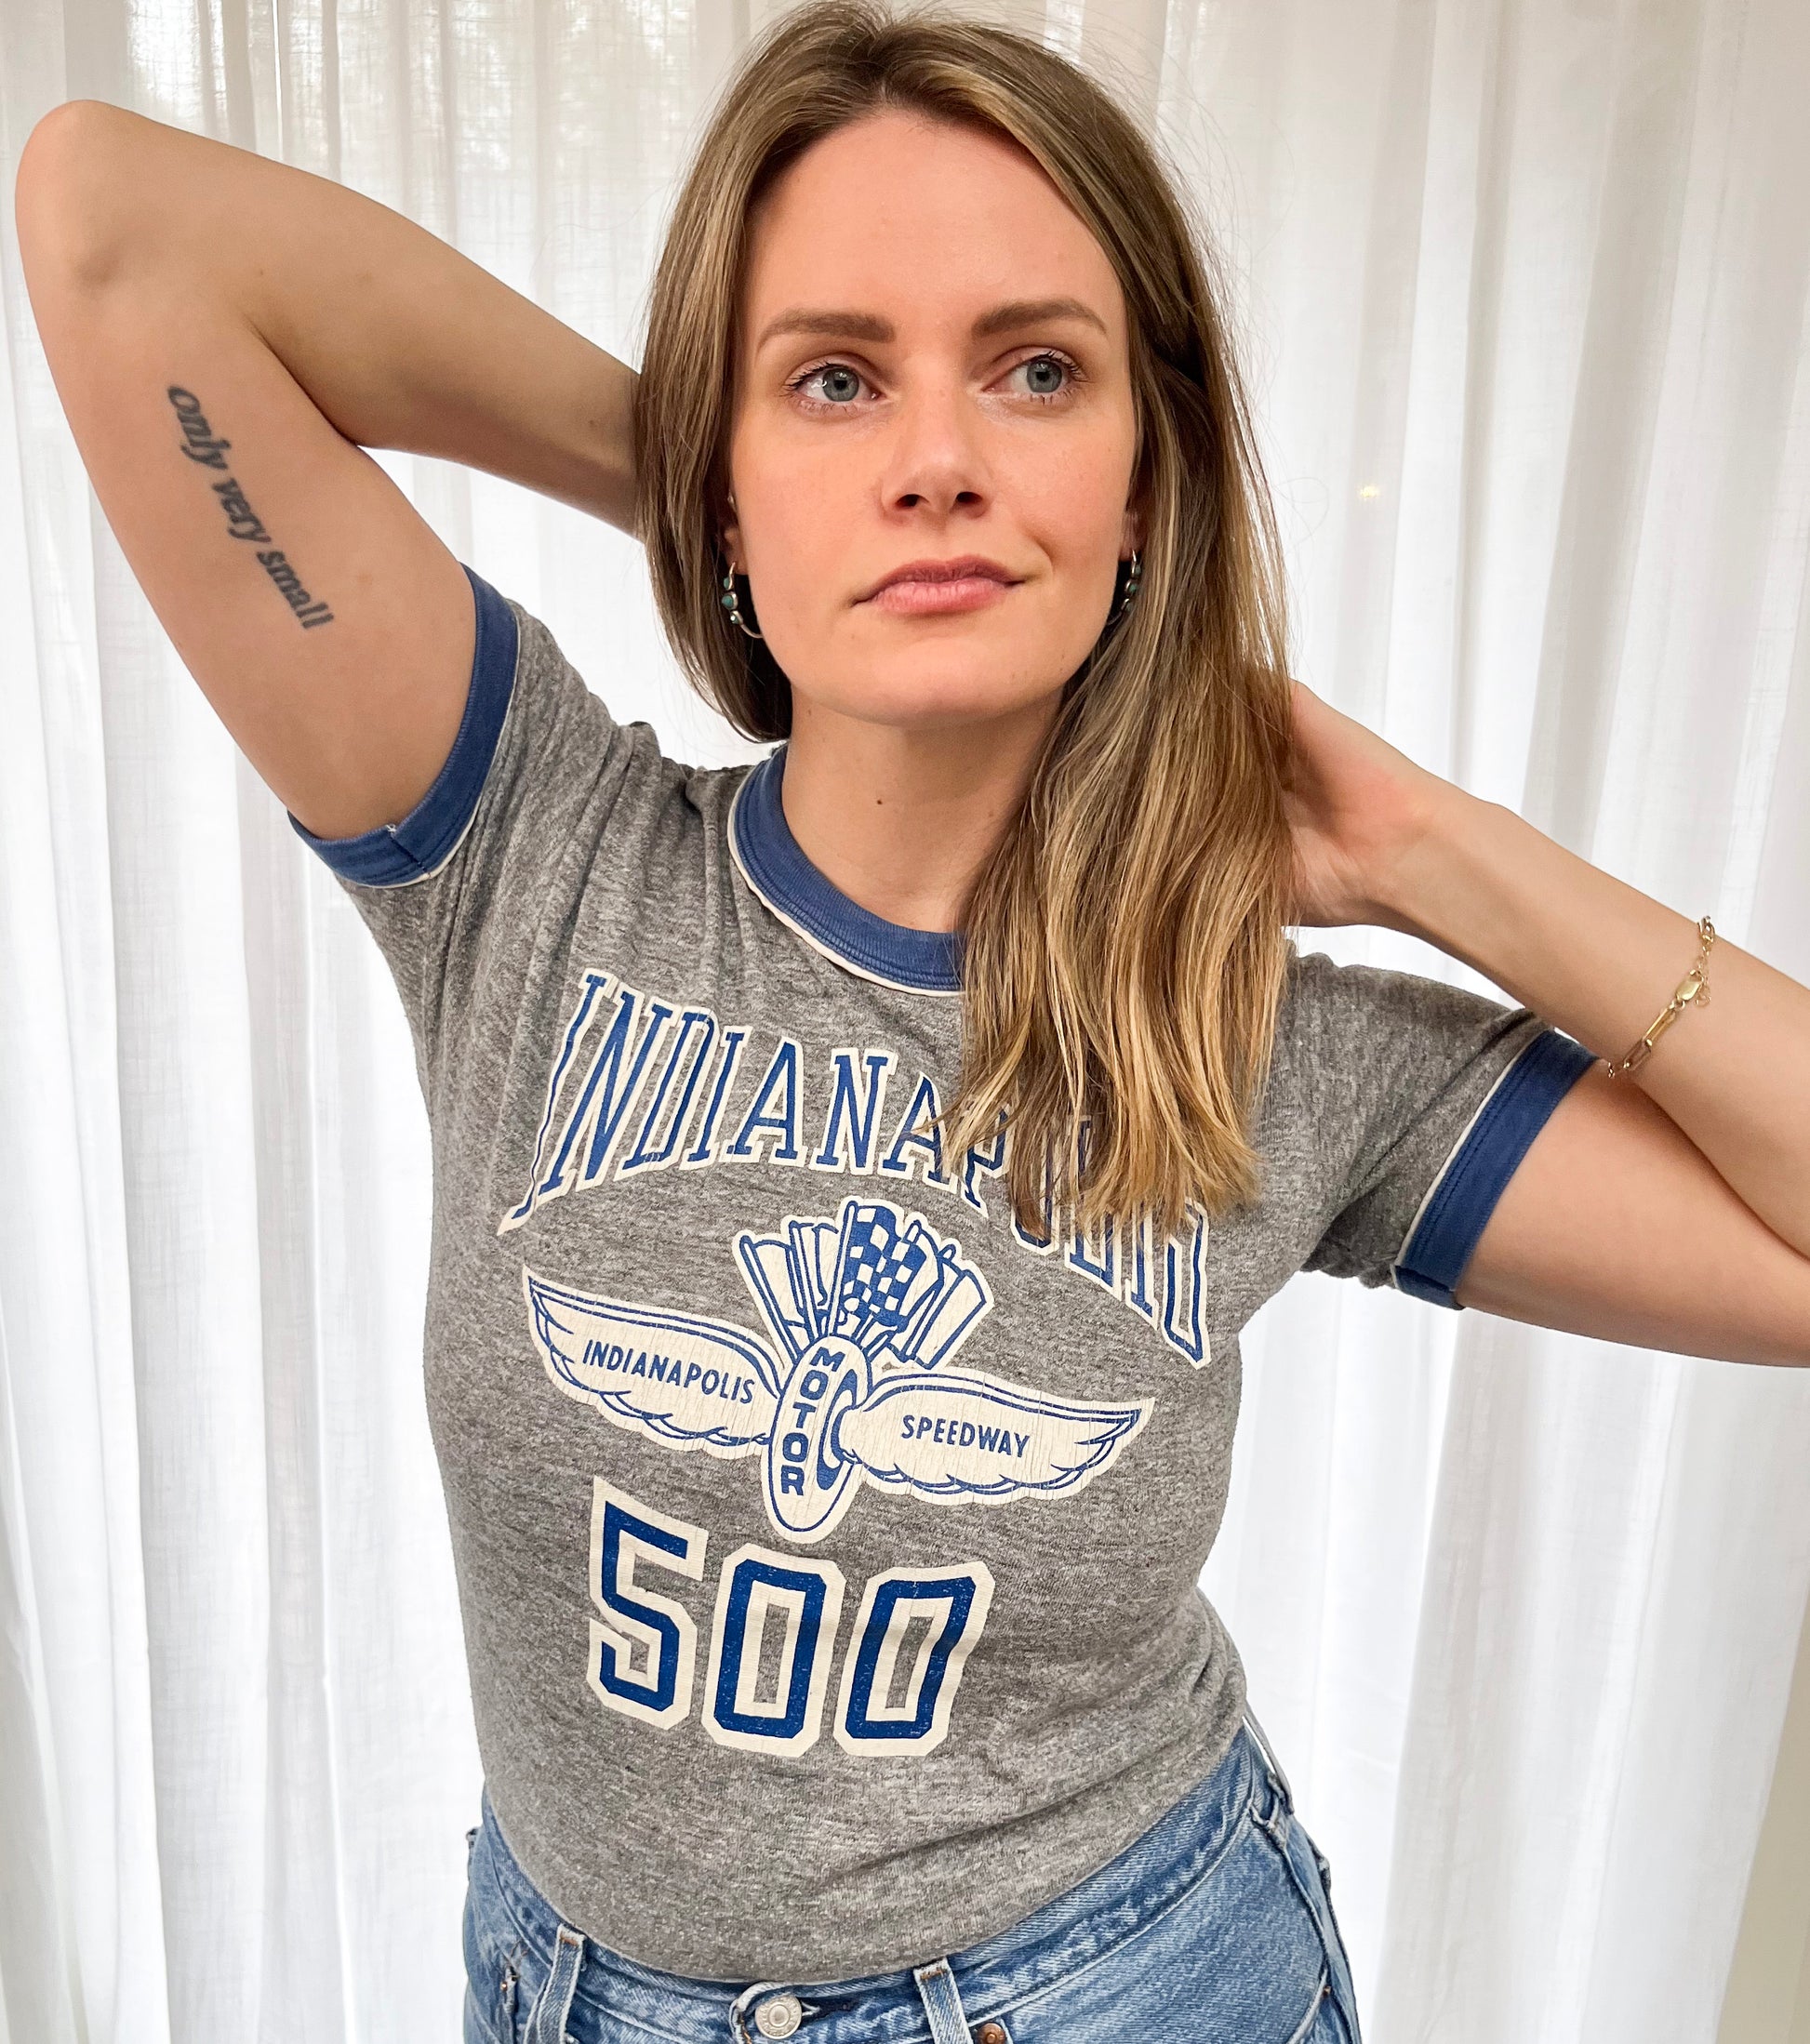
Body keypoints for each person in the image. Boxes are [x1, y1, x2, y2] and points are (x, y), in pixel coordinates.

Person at [14, 4, 1809, 2039]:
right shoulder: (529, 851)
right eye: (836, 377)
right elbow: (111, 222)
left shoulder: (1263, 1042)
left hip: (1127, 1989)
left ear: (1148, 483)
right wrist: (711, 482)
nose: (939, 461)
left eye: (1035, 372)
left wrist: (1424, 849)